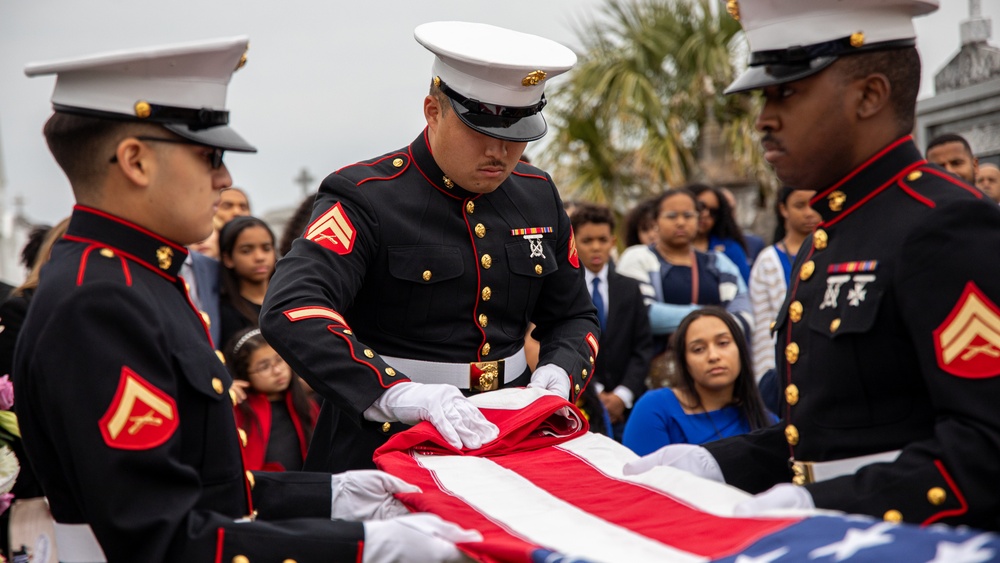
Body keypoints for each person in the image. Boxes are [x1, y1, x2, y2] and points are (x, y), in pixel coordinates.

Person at [14, 37, 477, 562]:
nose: (224, 178)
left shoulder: (133, 277)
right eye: (209, 155)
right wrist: (363, 547)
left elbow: (202, 484)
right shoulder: (98, 304)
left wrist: (339, 496)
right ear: (136, 161)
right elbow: (160, 538)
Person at [626, 0, 1000, 530]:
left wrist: (825, 507)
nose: (764, 120)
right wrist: (719, 463)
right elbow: (830, 433)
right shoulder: (833, 232)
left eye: (786, 92)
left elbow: (987, 444)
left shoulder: (945, 226)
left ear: (869, 95)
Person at [260, 21, 599, 473]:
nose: (500, 152)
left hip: (510, 430)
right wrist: (395, 392)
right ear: (433, 111)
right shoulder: (367, 195)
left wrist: (558, 375)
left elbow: (574, 315)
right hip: (389, 439)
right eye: (482, 132)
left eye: (516, 136)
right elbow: (293, 306)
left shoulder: (537, 194)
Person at [622, 307, 775, 456]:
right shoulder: (655, 409)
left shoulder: (765, 420)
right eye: (698, 349)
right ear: (684, 362)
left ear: (741, 350)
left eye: (723, 343)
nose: (713, 356)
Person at [616, 189, 753, 346]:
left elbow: (745, 317)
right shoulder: (638, 257)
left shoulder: (718, 263)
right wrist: (710, 316)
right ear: (655, 222)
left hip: (712, 363)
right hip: (654, 365)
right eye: (671, 216)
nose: (680, 222)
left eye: (688, 215)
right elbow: (641, 313)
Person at [571, 203, 654, 440]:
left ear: (612, 241)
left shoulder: (629, 288)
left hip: (629, 404)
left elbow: (642, 347)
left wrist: (622, 395)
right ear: (574, 242)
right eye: (587, 241)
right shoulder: (566, 290)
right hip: (584, 403)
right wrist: (595, 393)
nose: (596, 247)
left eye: (602, 239)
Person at [748, 186, 819, 411]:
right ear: (783, 209)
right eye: (800, 205)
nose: (809, 212)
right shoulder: (768, 260)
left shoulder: (838, 251)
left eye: (814, 203)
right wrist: (765, 380)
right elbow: (761, 328)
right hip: (782, 371)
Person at [226, 328, 318, 472]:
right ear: (243, 374)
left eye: (279, 360)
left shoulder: (307, 405)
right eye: (264, 367)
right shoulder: (236, 411)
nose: (277, 371)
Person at [219, 215, 276, 347]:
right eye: (246, 251)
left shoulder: (290, 299)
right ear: (228, 259)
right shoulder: (226, 313)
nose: (259, 257)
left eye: (266, 248)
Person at [689, 184, 752, 283]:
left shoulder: (730, 248)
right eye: (701, 207)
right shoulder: (665, 247)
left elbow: (744, 289)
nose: (706, 214)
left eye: (713, 212)